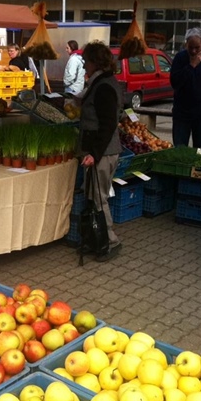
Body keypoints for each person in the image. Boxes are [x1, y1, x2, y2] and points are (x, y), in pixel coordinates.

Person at [77, 41, 123, 262]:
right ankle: (97, 239)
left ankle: (110, 242)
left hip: (103, 151)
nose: (84, 65)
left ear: (95, 62)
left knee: (98, 197)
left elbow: (107, 124)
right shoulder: (102, 82)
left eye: (86, 61)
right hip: (101, 150)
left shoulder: (103, 86)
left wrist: (94, 153)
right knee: (94, 195)